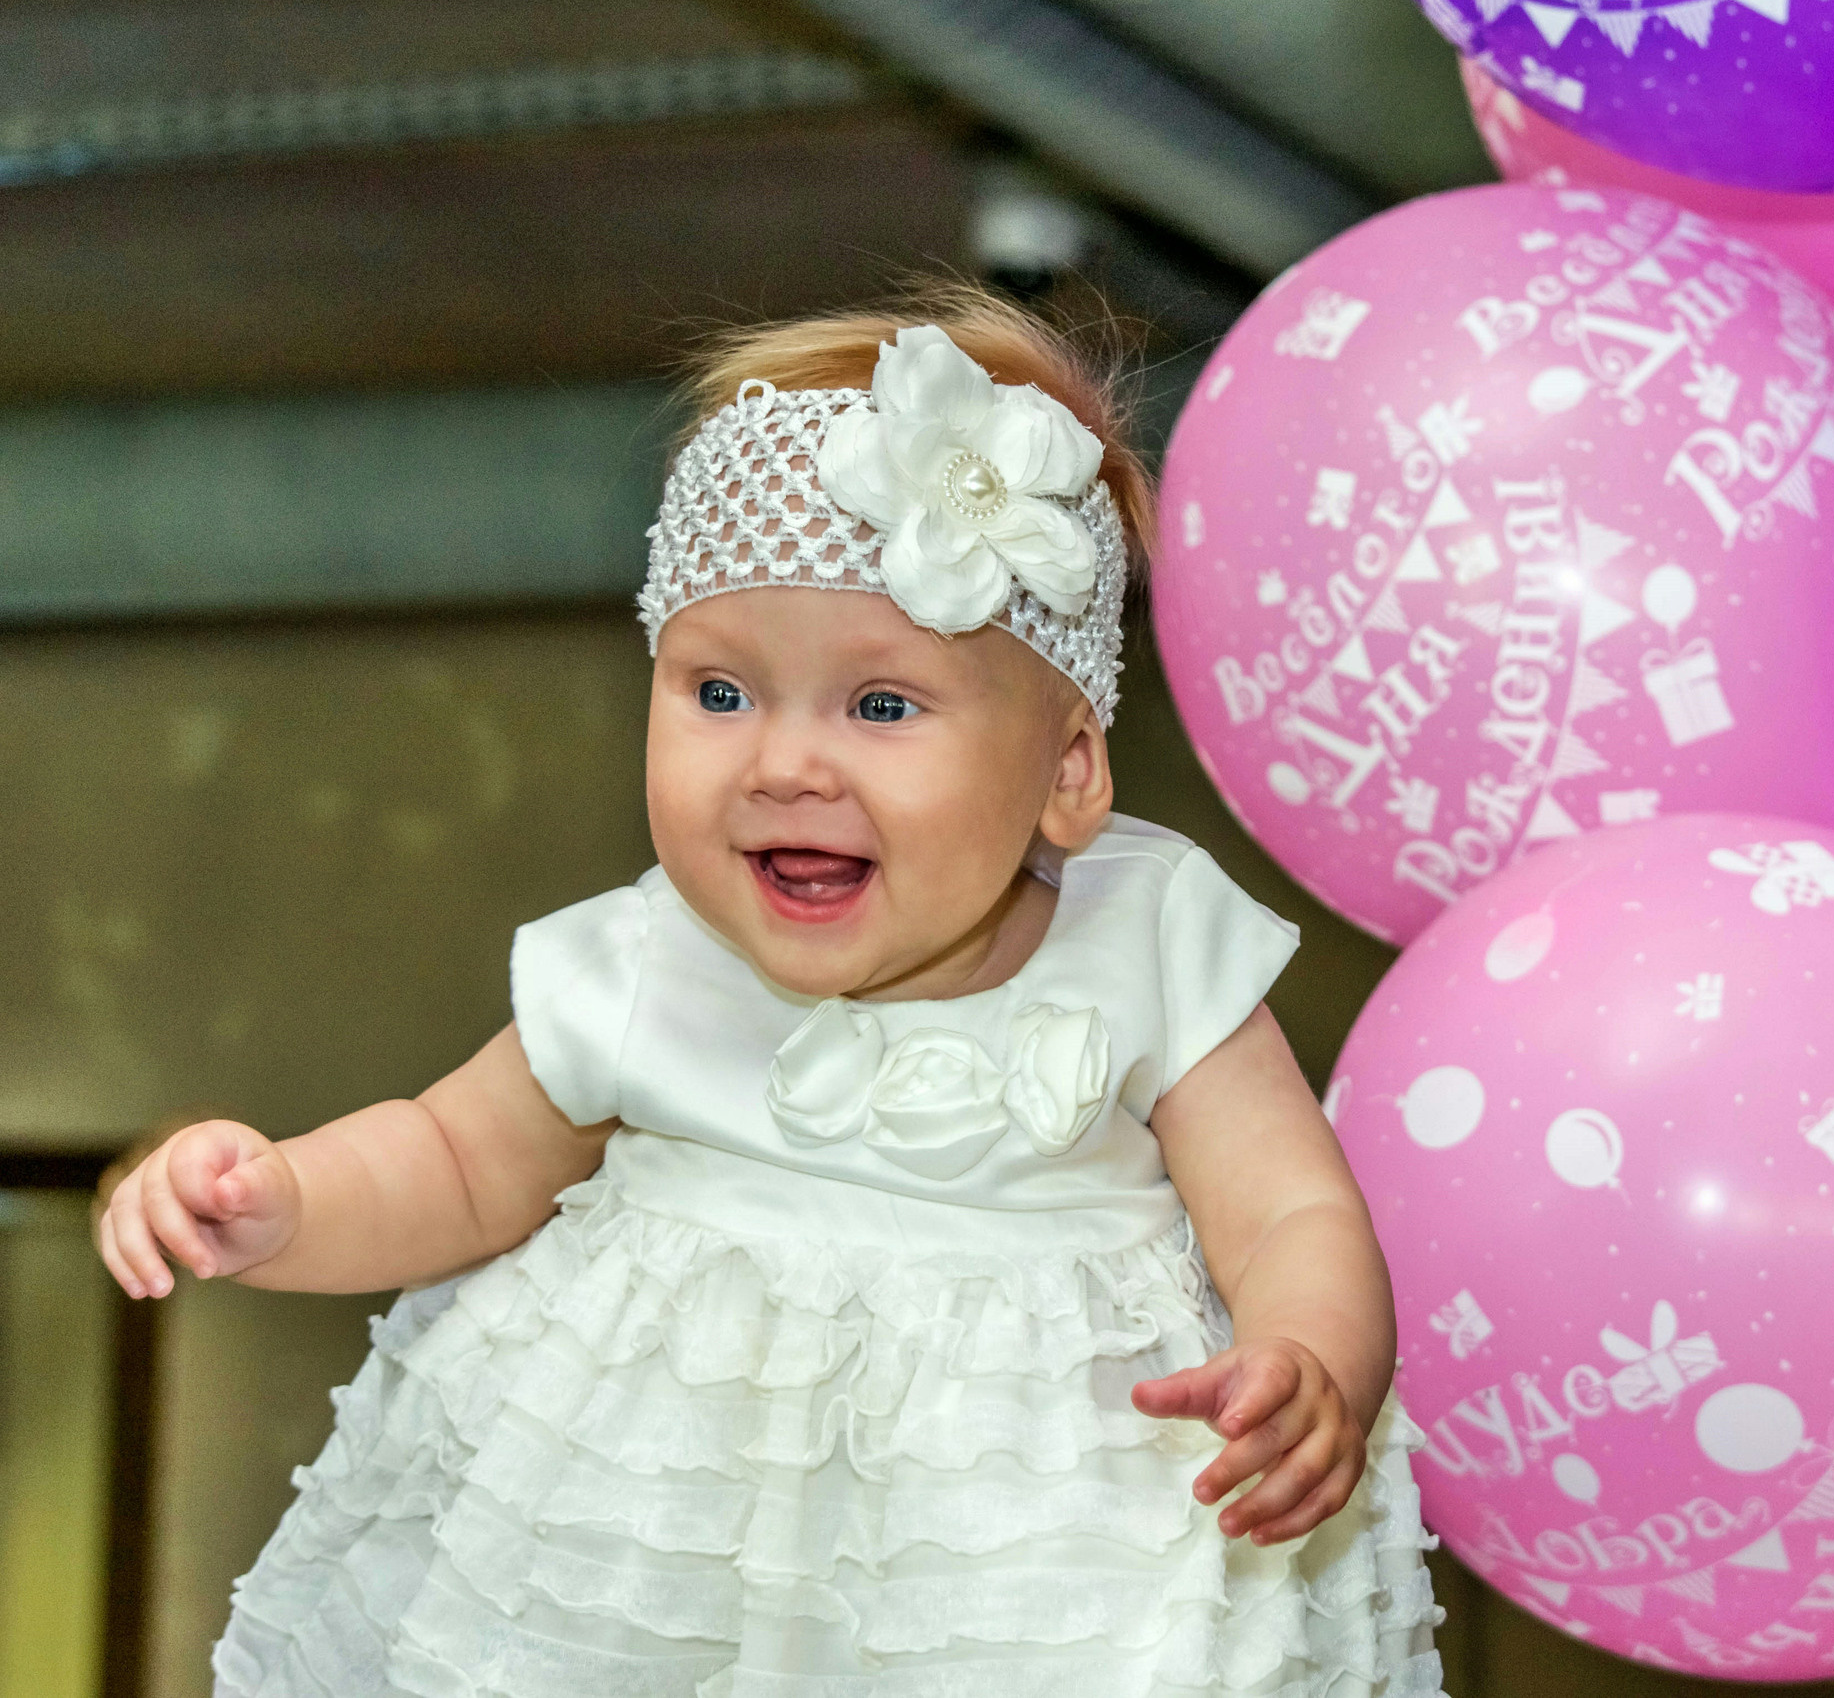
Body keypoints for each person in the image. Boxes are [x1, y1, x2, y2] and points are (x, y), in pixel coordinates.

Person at [95, 288, 1444, 1695]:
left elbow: (1291, 1208)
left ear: (1066, 774)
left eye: (880, 706)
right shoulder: (645, 957)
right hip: (651, 1564)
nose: (784, 765)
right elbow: (450, 1159)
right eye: (720, 694)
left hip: (1029, 1579)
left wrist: (1308, 1354)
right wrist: (283, 1198)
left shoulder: (1151, 941)